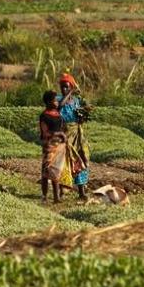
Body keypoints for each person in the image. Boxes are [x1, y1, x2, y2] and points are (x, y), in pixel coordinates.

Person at [57, 73, 91, 201]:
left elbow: (79, 118)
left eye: (66, 87)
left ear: (71, 86)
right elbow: (60, 107)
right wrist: (68, 93)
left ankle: (81, 192)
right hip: (64, 135)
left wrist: (82, 117)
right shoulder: (58, 99)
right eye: (62, 87)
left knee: (80, 160)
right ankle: (61, 191)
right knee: (64, 162)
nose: (63, 89)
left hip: (76, 135)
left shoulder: (77, 101)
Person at [39, 91, 71, 203]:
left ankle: (56, 197)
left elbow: (62, 102)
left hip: (60, 146)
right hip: (50, 146)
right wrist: (60, 134)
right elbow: (45, 133)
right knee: (47, 171)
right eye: (54, 100)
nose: (57, 102)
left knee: (57, 171)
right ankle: (44, 196)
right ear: (48, 102)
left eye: (57, 100)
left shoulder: (56, 112)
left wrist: (71, 91)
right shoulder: (44, 116)